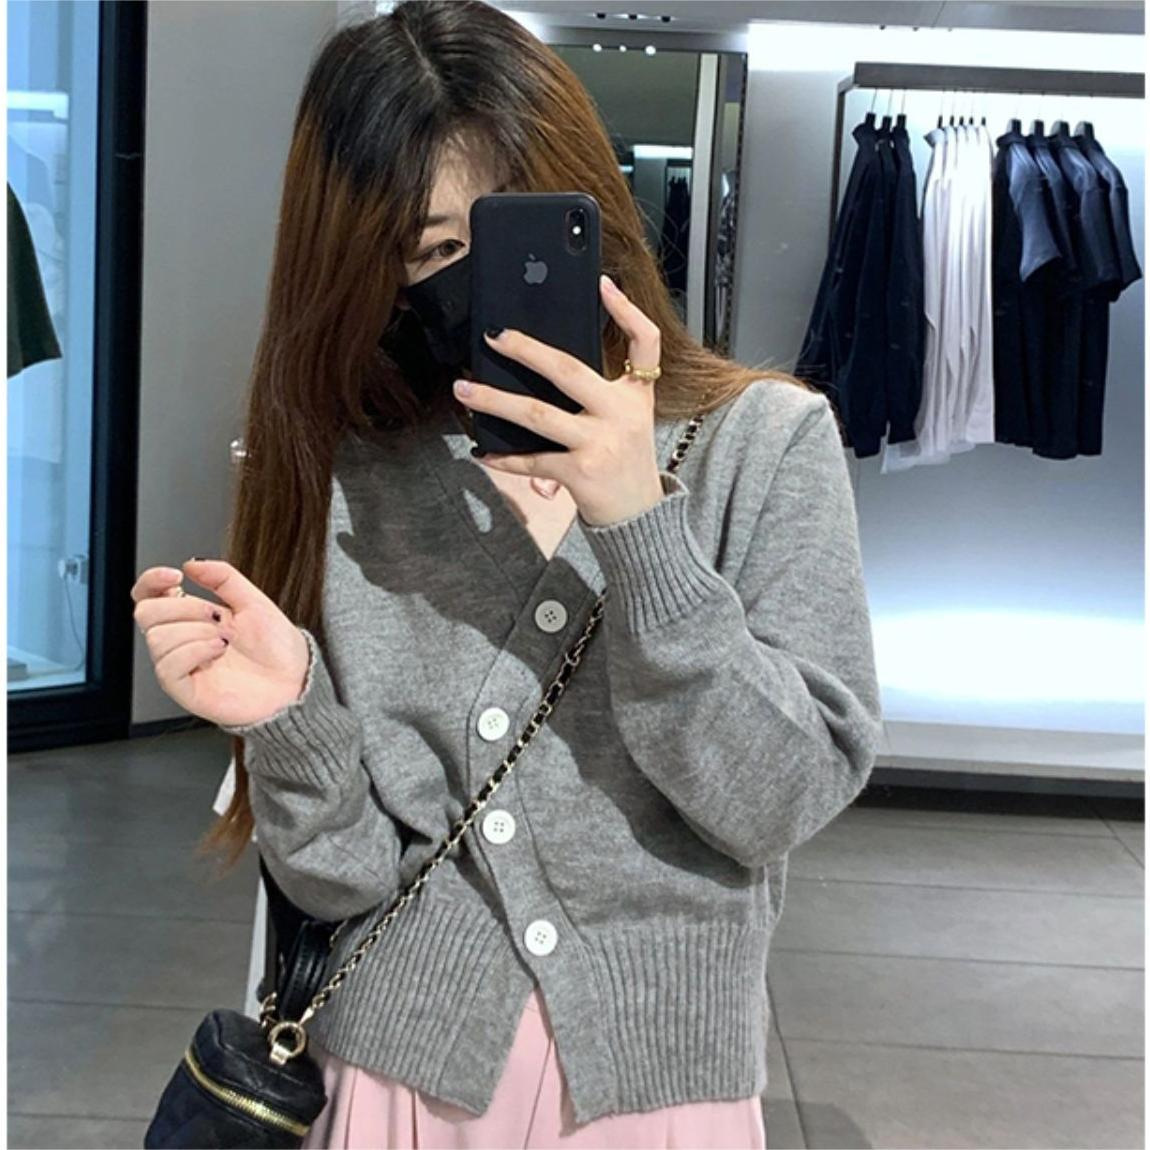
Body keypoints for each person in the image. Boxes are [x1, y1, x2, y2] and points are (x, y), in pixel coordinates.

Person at [130, 2, 884, 1146]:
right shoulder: (353, 471)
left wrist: (638, 527)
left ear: (578, 215)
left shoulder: (762, 445)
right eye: (399, 258)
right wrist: (290, 720)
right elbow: (339, 881)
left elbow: (778, 797)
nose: (439, 290)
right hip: (393, 1080)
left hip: (654, 1094)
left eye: (464, 246)